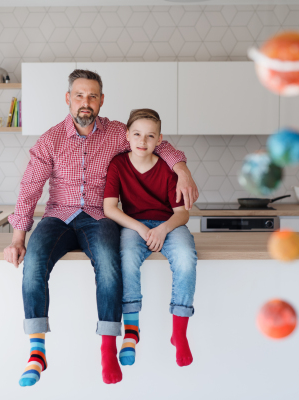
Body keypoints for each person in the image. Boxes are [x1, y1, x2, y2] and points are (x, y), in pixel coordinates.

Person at [3, 69, 199, 386]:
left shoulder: (116, 132)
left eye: (92, 96)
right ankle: (37, 351)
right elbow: (29, 188)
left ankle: (108, 349)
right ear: (68, 99)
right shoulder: (50, 139)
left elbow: (154, 142)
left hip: (99, 215)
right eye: (79, 95)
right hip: (58, 216)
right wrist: (17, 238)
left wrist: (182, 169)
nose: (86, 102)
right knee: (35, 260)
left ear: (101, 101)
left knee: (109, 263)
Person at [103, 109, 198, 368]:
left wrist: (163, 229)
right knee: (128, 257)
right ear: (127, 136)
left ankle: (179, 333)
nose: (142, 141)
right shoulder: (118, 165)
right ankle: (132, 332)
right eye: (136, 134)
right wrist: (142, 230)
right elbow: (110, 208)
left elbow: (182, 214)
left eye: (149, 136)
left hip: (168, 225)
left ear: (159, 140)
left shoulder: (168, 168)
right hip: (135, 226)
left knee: (186, 258)